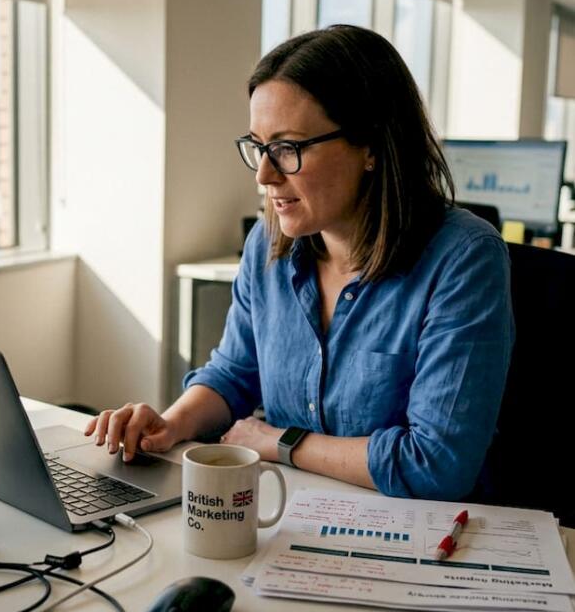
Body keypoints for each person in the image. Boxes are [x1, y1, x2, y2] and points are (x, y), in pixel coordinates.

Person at [84, 25, 514, 501]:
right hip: (290, 515)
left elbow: (436, 465)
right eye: (259, 147)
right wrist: (170, 423)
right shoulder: (267, 244)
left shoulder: (463, 258)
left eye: (287, 148)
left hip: (416, 536)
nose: (265, 176)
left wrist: (279, 442)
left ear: (369, 145)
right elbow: (233, 375)